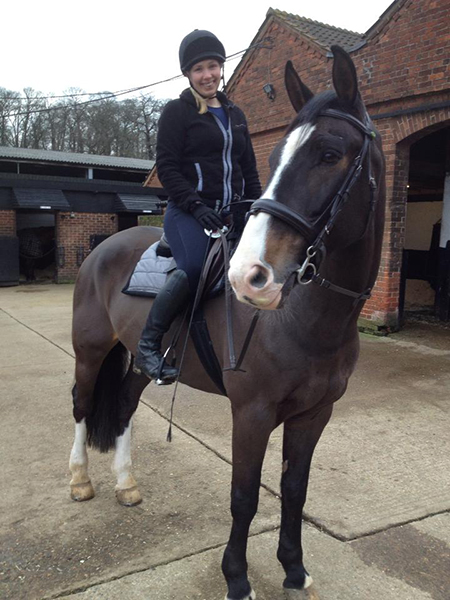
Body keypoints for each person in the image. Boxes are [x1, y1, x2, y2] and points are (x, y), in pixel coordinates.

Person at [134, 29, 262, 383]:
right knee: (192, 268)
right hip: (187, 212)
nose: (207, 75)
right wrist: (195, 204)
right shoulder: (177, 112)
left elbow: (248, 169)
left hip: (231, 213)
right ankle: (148, 346)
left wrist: (255, 208)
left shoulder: (236, 114)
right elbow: (168, 168)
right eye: (198, 69)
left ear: (222, 68)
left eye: (213, 66)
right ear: (188, 75)